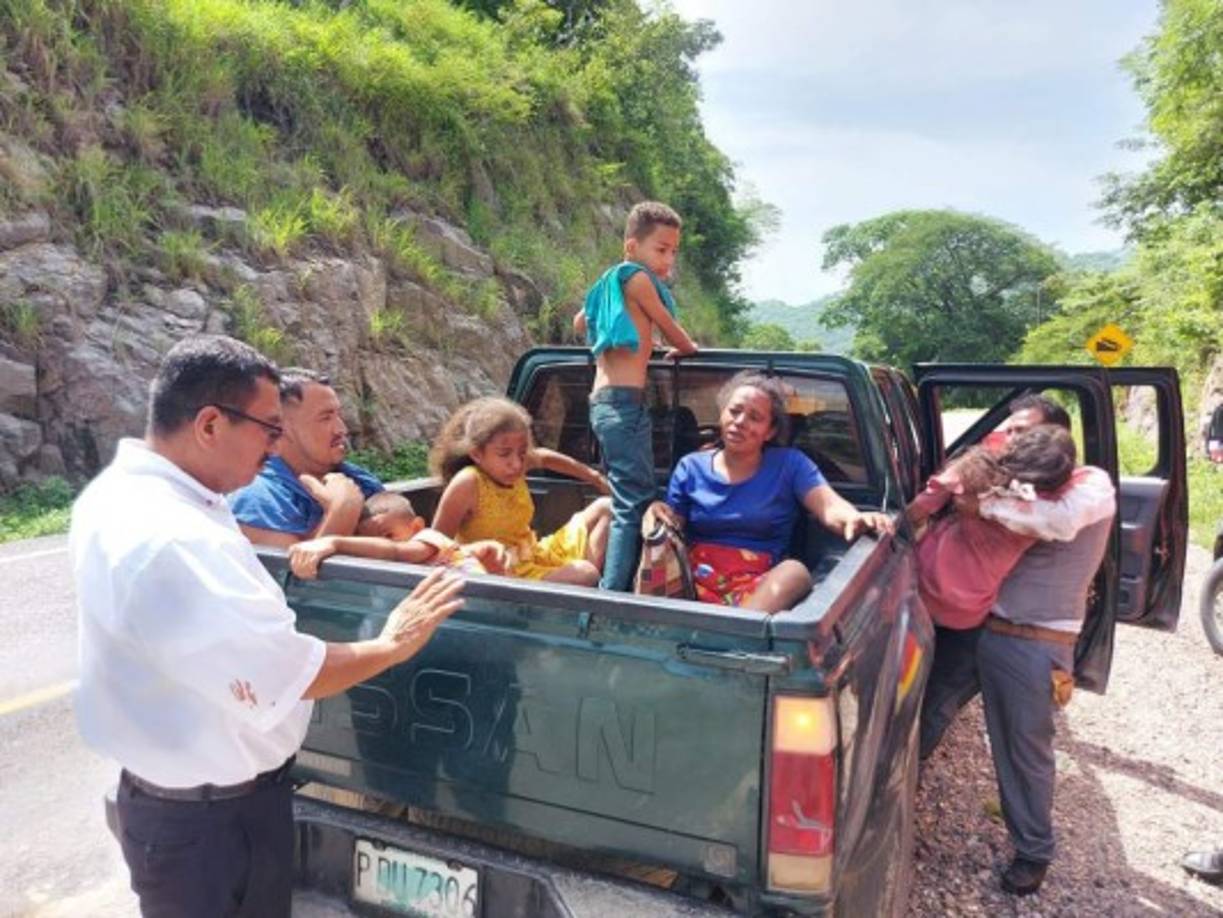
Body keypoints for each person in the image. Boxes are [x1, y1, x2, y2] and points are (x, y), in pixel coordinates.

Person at [70, 336, 464, 918]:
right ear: (209, 424)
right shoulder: (174, 538)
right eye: (268, 428)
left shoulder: (134, 496)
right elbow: (291, 672)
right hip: (205, 826)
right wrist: (392, 642)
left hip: (214, 806)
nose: (276, 446)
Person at [917, 393, 1117, 897]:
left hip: (1033, 640)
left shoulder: (1089, 485)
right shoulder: (1014, 479)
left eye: (1023, 432)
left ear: (1056, 435)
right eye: (1008, 430)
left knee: (1023, 752)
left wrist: (979, 500)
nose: (1010, 440)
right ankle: (888, 802)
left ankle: (1033, 851)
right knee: (924, 716)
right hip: (978, 625)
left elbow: (1055, 522)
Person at [646, 372, 892, 612]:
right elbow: (673, 529)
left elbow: (829, 506)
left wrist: (855, 519)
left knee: (794, 572)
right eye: (734, 411)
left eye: (755, 417)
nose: (740, 422)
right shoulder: (690, 466)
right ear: (721, 414)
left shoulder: (790, 465)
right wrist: (655, 511)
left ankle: (735, 639)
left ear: (770, 431)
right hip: (693, 584)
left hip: (760, 589)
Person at [572, 201, 700, 591]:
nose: (668, 260)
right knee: (634, 505)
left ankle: (617, 587)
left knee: (628, 498)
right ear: (632, 247)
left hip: (606, 404)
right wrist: (685, 348)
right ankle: (612, 596)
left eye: (673, 252)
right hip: (623, 404)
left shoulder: (607, 285)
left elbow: (581, 323)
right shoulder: (637, 280)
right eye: (660, 249)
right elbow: (672, 330)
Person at [909, 425, 1101, 630]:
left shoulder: (974, 470)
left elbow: (916, 511)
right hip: (967, 613)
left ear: (1017, 449)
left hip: (922, 589)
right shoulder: (1050, 509)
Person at [429, 396, 613, 585]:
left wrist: (595, 478)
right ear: (476, 454)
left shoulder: (518, 463)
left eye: (522, 452)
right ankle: (586, 596)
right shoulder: (468, 483)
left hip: (534, 554)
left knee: (606, 508)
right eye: (504, 454)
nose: (516, 464)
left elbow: (544, 457)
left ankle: (582, 598)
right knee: (586, 573)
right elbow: (436, 547)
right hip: (504, 576)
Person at [230, 368, 382, 547]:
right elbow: (289, 573)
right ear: (282, 427)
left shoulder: (361, 480)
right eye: (325, 418)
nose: (341, 429)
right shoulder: (258, 500)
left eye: (338, 415)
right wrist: (342, 510)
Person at [287, 491, 508, 579]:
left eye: (388, 534)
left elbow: (396, 553)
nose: (380, 545)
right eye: (371, 540)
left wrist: (334, 542)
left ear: (416, 527)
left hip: (477, 602)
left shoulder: (428, 538)